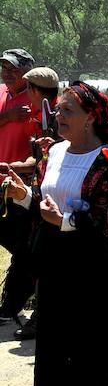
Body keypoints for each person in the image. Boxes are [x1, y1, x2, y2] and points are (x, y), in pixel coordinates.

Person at [0, 81, 108, 386]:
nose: (58, 116)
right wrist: (24, 197)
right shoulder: (52, 153)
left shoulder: (105, 161)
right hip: (57, 258)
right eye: (59, 109)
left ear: (90, 118)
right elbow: (46, 200)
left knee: (90, 335)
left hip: (94, 262)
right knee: (58, 334)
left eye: (68, 110)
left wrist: (66, 221)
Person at [0, 67, 61, 342]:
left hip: (49, 198)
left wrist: (9, 166)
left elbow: (44, 160)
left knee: (37, 253)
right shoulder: (47, 113)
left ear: (33, 90)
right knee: (28, 250)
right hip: (32, 191)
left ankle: (35, 313)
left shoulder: (57, 117)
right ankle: (15, 304)